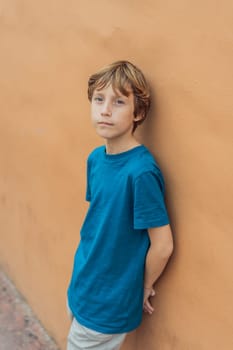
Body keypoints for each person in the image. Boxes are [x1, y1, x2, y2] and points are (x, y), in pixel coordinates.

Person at [67, 60, 173, 350]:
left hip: (109, 300)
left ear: (138, 112)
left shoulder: (141, 173)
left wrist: (143, 287)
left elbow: (162, 245)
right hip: (83, 283)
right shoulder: (96, 158)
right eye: (99, 99)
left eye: (119, 102)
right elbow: (99, 222)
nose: (105, 110)